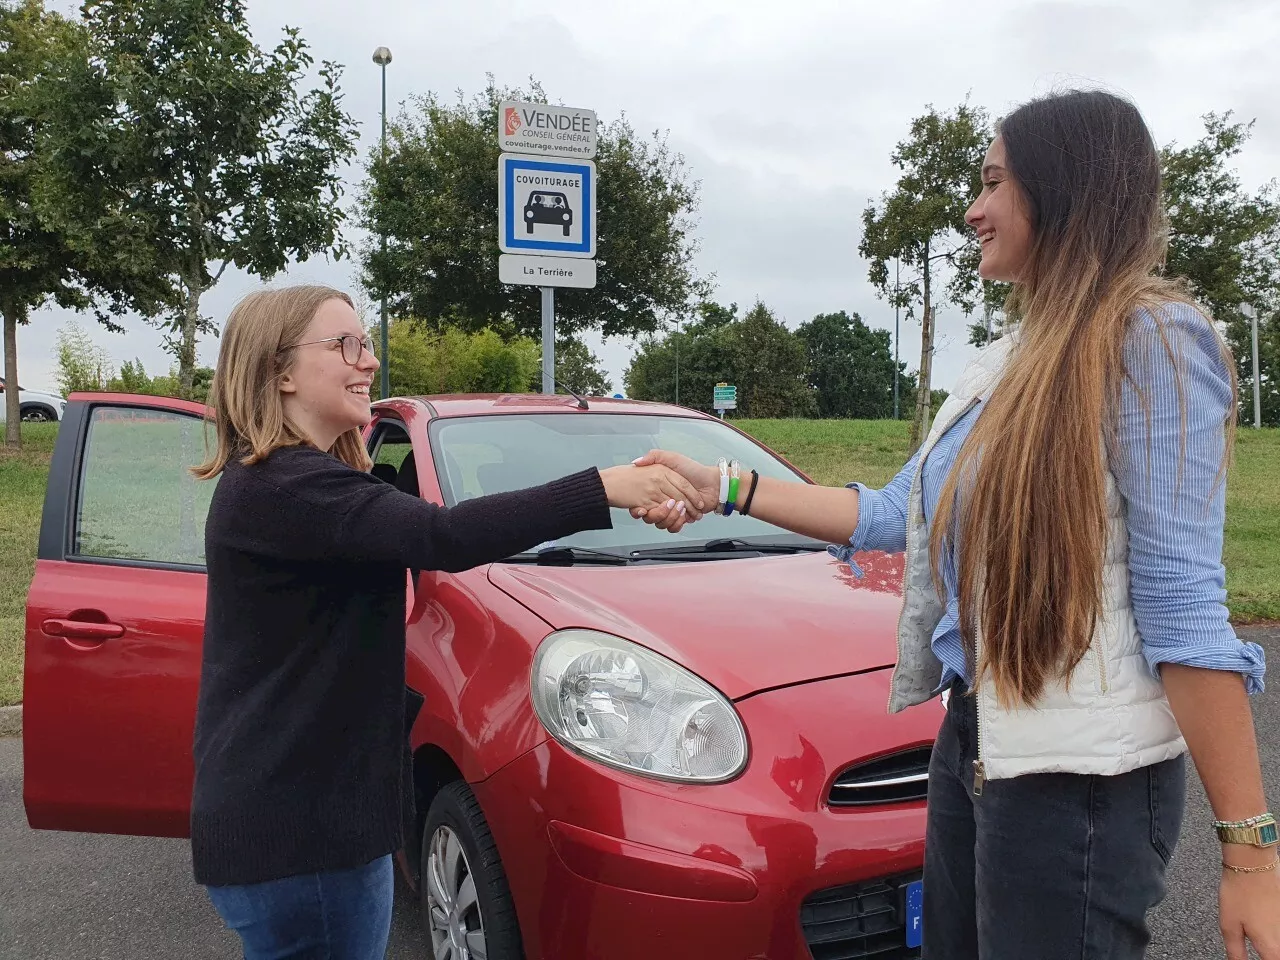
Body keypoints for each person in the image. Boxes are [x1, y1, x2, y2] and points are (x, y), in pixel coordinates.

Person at [633, 89, 1277, 960]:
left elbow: (1183, 606)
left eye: (994, 184)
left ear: (1063, 191)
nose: (973, 210)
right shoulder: (1007, 362)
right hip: (976, 741)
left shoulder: (1152, 342)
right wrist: (721, 485)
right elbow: (893, 512)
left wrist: (1250, 855)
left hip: (1082, 784)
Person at [188, 284, 703, 959]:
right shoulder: (290, 488)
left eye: (367, 343)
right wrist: (603, 488)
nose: (368, 360)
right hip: (304, 839)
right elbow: (446, 534)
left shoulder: (294, 483)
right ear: (279, 371)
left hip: (297, 824)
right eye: (345, 344)